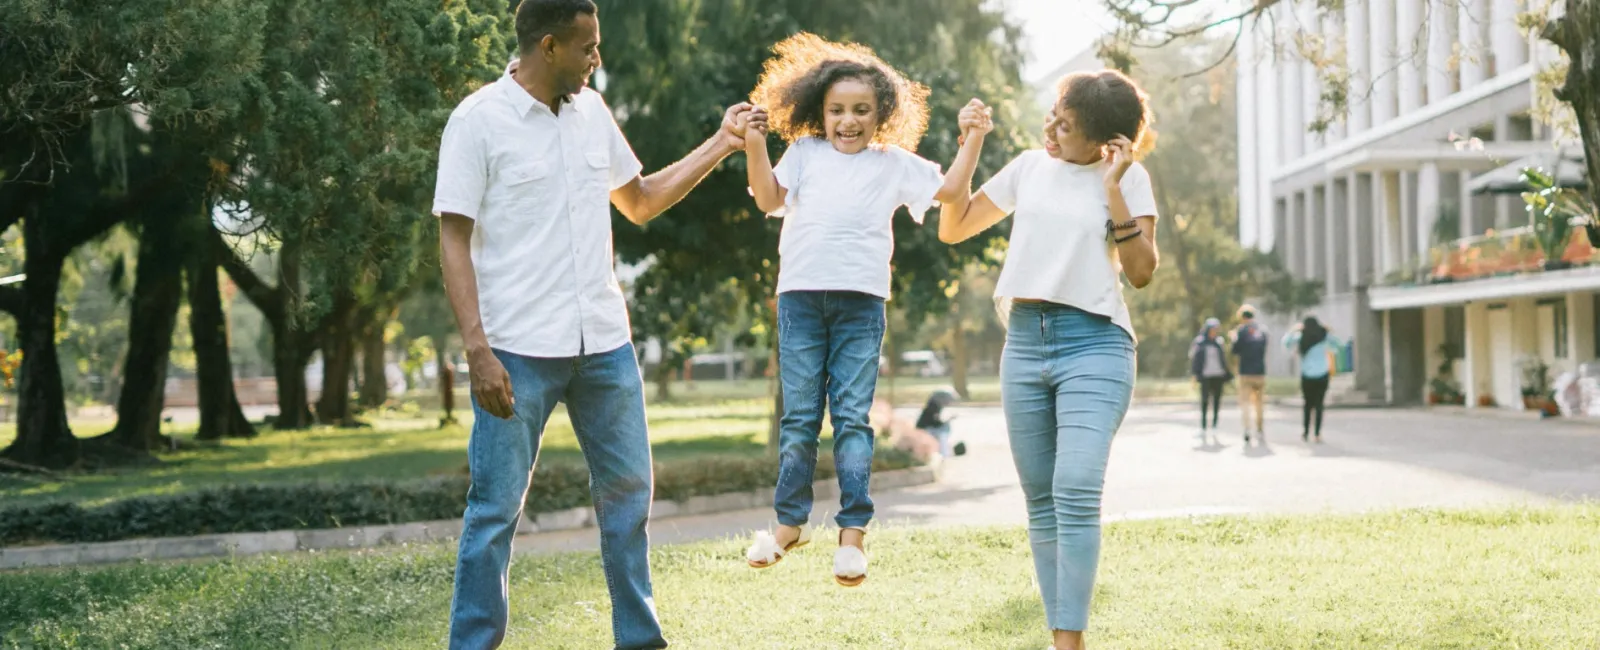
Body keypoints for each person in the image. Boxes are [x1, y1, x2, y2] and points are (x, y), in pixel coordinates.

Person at [431, 1, 763, 646]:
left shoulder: (592, 113)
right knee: (496, 510)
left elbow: (638, 202)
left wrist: (722, 143)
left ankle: (639, 639)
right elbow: (453, 237)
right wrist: (477, 350)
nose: (597, 59)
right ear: (549, 46)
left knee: (629, 499)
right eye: (588, 47)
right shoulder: (478, 120)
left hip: (605, 345)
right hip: (517, 350)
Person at [738, 33, 981, 588]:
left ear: (882, 114)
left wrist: (972, 138)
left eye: (861, 111)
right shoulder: (804, 153)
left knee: (850, 418)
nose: (848, 121)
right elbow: (769, 199)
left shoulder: (892, 163)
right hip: (801, 300)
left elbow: (948, 191)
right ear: (819, 112)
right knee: (800, 418)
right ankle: (788, 525)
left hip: (861, 305)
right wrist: (754, 143)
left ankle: (852, 537)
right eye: (837, 111)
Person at [936, 69, 1159, 650]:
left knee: (1076, 486)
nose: (1052, 128)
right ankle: (1067, 640)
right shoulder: (1030, 168)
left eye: (1068, 124)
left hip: (1097, 343)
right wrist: (972, 142)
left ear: (1107, 142)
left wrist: (1112, 187)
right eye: (1054, 114)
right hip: (1026, 342)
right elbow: (953, 226)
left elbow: (1140, 274)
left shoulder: (1131, 181)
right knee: (1041, 500)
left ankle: (1068, 640)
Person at [1283, 316, 1342, 443]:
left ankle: (1305, 432)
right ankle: (1317, 434)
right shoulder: (1324, 336)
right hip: (1322, 374)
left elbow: (1286, 343)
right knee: (1319, 404)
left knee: (1307, 405)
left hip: (1307, 375)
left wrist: (1293, 330)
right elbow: (1338, 344)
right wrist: (1329, 331)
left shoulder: (1301, 337)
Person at [1231, 304, 1270, 444]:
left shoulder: (1241, 331)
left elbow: (1235, 350)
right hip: (1260, 372)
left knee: (1245, 403)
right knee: (1259, 403)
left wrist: (1233, 338)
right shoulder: (1262, 331)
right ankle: (1260, 429)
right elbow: (1264, 348)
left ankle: (1247, 429)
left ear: (1242, 318)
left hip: (1245, 372)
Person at [1190, 317, 1231, 437]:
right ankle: (1203, 427)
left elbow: (1223, 360)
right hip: (1205, 376)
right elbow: (1195, 360)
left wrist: (1227, 374)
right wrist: (1195, 375)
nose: (1214, 332)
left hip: (1218, 376)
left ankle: (1215, 426)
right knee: (1204, 401)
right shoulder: (1200, 342)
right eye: (1213, 329)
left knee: (1217, 402)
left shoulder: (1219, 342)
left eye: (1216, 329)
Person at [916, 388, 961, 458]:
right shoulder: (933, 406)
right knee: (943, 431)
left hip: (928, 427)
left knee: (944, 428)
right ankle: (944, 452)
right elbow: (935, 423)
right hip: (925, 429)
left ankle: (943, 450)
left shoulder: (935, 405)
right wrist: (948, 420)